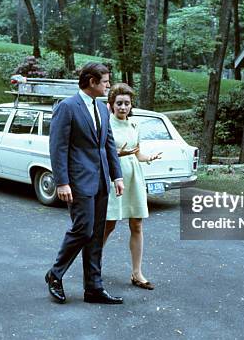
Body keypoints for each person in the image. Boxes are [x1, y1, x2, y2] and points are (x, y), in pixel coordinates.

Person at [45, 62, 125, 305]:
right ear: (91, 82)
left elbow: (108, 144)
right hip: (78, 182)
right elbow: (58, 147)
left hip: (101, 181)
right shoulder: (67, 108)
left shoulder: (102, 109)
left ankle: (94, 288)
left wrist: (116, 175)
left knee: (96, 235)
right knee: (84, 229)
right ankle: (55, 274)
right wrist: (62, 182)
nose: (108, 85)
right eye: (105, 81)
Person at [103, 83, 162, 290]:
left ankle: (137, 273)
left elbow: (137, 153)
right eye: (119, 103)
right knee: (108, 225)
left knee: (137, 225)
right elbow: (102, 153)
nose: (123, 107)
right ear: (111, 104)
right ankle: (92, 267)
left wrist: (149, 157)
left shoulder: (134, 126)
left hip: (134, 177)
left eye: (126, 103)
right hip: (114, 178)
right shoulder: (105, 124)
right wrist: (119, 154)